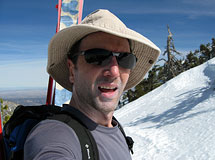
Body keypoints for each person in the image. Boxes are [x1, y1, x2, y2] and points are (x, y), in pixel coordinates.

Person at [24, 9, 160, 160]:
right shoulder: (54, 133)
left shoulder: (115, 128)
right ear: (71, 70)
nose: (114, 71)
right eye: (97, 56)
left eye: (124, 58)